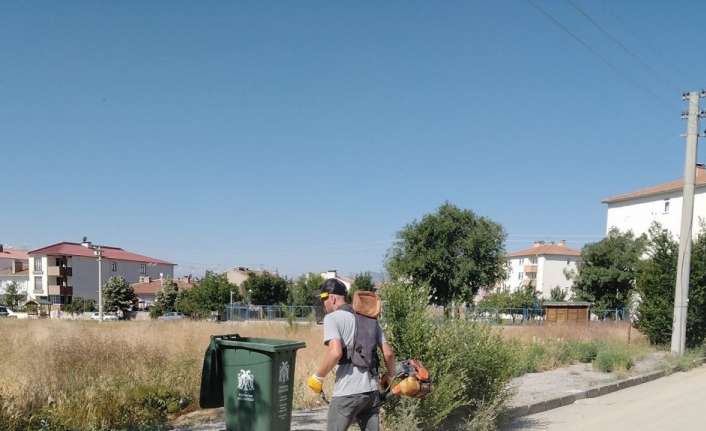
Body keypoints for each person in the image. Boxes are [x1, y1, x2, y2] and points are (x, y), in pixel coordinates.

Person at [307, 278, 396, 431]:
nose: (324, 304)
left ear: (332, 298)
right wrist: (390, 375)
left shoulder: (332, 318)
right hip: (371, 393)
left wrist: (318, 377)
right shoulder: (370, 319)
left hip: (347, 392)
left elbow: (335, 353)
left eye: (324, 299)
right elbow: (389, 353)